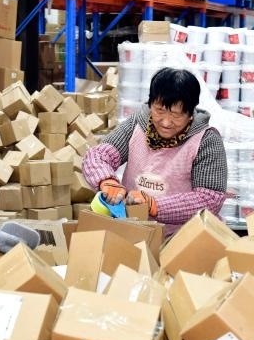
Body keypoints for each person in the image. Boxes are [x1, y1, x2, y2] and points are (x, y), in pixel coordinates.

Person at [82, 67, 227, 235]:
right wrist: (107, 181)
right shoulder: (137, 124)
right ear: (150, 104)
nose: (166, 122)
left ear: (190, 113)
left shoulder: (206, 140)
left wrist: (154, 205)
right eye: (159, 110)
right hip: (133, 228)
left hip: (183, 237)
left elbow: (210, 199)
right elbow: (98, 156)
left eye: (176, 115)